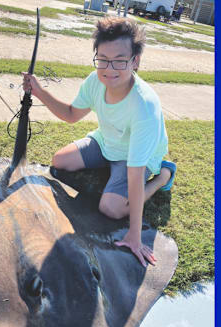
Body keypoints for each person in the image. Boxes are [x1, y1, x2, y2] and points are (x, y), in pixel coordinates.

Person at [21, 17, 176, 268]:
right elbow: (72, 114)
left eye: (119, 60)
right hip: (107, 141)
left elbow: (135, 175)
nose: (109, 68)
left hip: (135, 158)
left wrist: (134, 236)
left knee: (112, 209)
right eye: (103, 58)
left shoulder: (144, 106)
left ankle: (163, 178)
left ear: (135, 61)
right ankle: (111, 170)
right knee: (59, 161)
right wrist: (39, 92)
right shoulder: (95, 81)